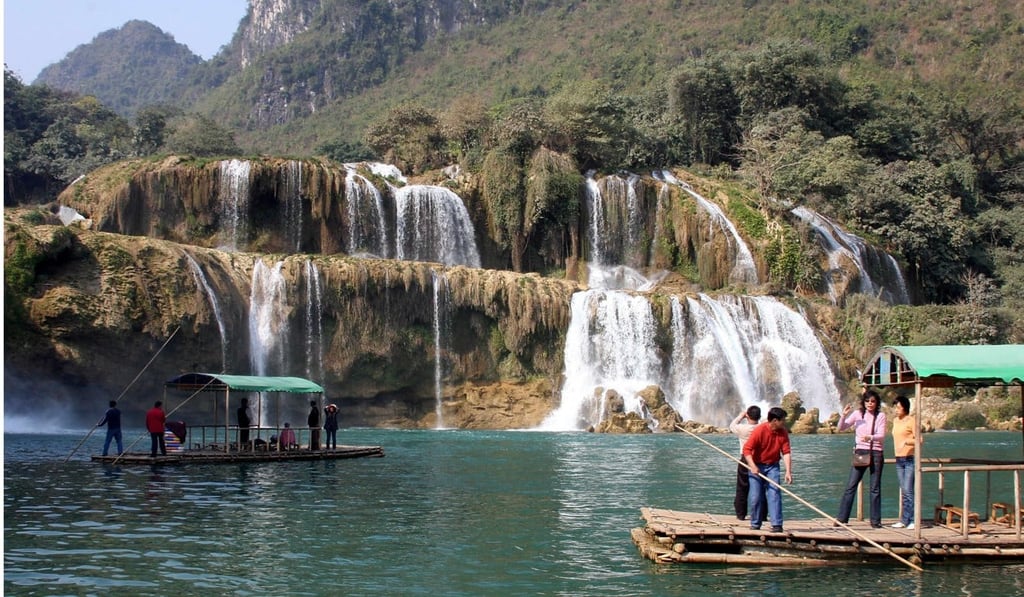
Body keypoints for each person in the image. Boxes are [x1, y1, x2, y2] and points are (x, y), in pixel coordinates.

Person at [836, 389, 887, 528]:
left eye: (873, 401)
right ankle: (841, 518)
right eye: (867, 401)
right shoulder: (858, 414)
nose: (870, 404)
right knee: (851, 486)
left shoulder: (881, 416)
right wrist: (844, 415)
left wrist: (870, 437)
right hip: (861, 452)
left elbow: (881, 435)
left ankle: (875, 521)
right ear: (863, 402)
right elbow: (842, 428)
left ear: (877, 403)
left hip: (876, 452)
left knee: (875, 488)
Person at [742, 406, 792, 533]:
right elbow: (747, 449)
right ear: (775, 421)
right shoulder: (760, 431)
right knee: (756, 496)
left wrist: (788, 471)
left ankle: (777, 524)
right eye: (783, 420)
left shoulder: (783, 432)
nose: (784, 422)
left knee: (774, 493)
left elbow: (786, 452)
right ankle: (755, 523)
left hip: (773, 466)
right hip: (756, 465)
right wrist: (752, 466)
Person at [890, 395, 919, 529]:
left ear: (905, 408)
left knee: (908, 491)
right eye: (895, 407)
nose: (896, 410)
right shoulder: (896, 421)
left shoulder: (911, 421)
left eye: (898, 407)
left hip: (909, 459)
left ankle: (913, 520)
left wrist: (907, 442)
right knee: (904, 490)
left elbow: (920, 440)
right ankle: (904, 520)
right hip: (898, 459)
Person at [729, 405, 762, 520]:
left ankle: (741, 514)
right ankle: (761, 515)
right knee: (760, 487)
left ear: (747, 416)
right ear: (759, 416)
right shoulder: (762, 428)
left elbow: (732, 426)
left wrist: (740, 416)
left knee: (742, 486)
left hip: (745, 459)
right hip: (759, 459)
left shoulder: (742, 428)